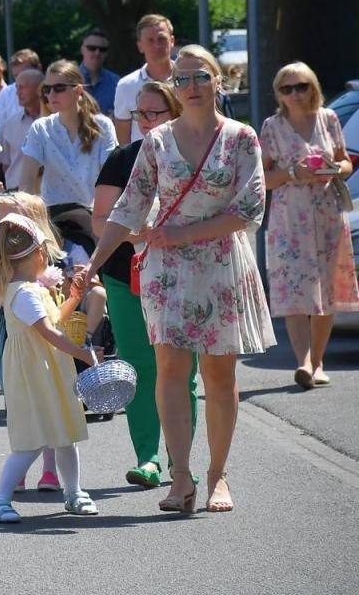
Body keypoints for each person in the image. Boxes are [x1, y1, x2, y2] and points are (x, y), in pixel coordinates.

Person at [85, 45, 273, 514]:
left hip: (221, 265)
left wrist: (181, 233)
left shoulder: (241, 137)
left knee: (218, 373)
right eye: (182, 79)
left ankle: (218, 474)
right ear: (174, 86)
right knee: (169, 370)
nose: (191, 86)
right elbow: (128, 208)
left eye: (200, 77)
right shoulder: (157, 142)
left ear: (217, 82)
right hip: (167, 271)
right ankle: (181, 476)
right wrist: (94, 261)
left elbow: (249, 209)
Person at [91, 79, 196, 490]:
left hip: (184, 276)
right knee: (140, 367)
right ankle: (147, 458)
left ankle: (179, 462)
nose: (146, 121)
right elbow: (100, 220)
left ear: (176, 113)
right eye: (140, 113)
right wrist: (135, 232)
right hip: (126, 275)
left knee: (181, 371)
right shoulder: (121, 159)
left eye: (156, 113)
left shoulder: (193, 157)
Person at [0, 214, 99, 524]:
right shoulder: (22, 292)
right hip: (34, 373)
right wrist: (82, 354)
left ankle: (73, 493)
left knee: (64, 435)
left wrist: (74, 297)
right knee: (32, 440)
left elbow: (55, 319)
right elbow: (48, 332)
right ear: (38, 254)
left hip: (47, 370)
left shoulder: (33, 288)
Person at [259, 62, 356, 389]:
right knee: (295, 292)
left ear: (313, 87)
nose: (294, 94)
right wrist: (292, 173)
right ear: (279, 94)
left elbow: (345, 162)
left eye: (301, 86)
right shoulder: (272, 127)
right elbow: (260, 179)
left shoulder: (328, 119)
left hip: (327, 215)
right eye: (286, 89)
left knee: (327, 293)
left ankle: (317, 361)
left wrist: (333, 169)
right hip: (289, 221)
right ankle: (302, 362)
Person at [18, 61, 117, 209]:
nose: (51, 94)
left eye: (59, 88)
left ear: (78, 91)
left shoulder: (103, 125)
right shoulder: (40, 128)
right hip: (53, 217)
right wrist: (33, 217)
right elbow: (26, 181)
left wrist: (99, 217)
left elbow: (109, 179)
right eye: (47, 89)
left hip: (93, 215)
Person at [113, 13, 177, 144]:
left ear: (172, 41)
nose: (157, 46)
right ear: (140, 46)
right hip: (142, 161)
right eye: (150, 40)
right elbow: (123, 141)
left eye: (161, 39)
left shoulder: (187, 80)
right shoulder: (126, 86)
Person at [0, 68, 44, 191]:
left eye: (22, 87)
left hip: (47, 193)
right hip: (17, 193)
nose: (17, 92)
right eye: (17, 87)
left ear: (39, 89)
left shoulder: (55, 122)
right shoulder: (11, 124)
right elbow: (5, 163)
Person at [78, 28, 118, 114]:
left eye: (102, 49)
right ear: (82, 49)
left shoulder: (117, 83)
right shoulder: (67, 80)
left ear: (107, 53)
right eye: (92, 48)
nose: (97, 53)